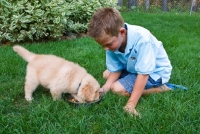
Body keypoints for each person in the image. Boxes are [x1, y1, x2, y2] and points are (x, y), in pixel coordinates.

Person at [88, 7, 172, 116]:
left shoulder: (142, 39)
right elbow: (115, 69)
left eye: (108, 44)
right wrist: (104, 89)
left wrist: (131, 104)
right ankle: (125, 84)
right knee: (106, 74)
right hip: (134, 68)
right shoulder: (112, 43)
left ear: (122, 32)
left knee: (116, 89)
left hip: (154, 73)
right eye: (102, 45)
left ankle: (160, 89)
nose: (105, 48)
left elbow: (143, 74)